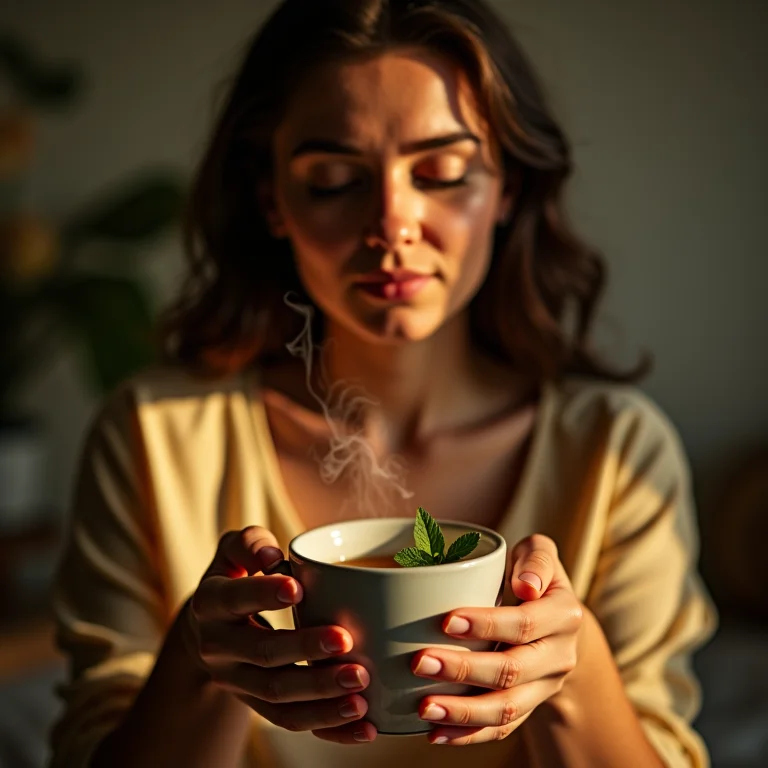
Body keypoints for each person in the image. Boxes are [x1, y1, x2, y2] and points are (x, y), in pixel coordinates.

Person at [49, 1, 718, 766]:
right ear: (274, 201)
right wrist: (202, 668)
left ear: (505, 190)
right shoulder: (154, 438)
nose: (393, 224)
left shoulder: (616, 452)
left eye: (442, 173)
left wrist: (574, 664)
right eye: (335, 180)